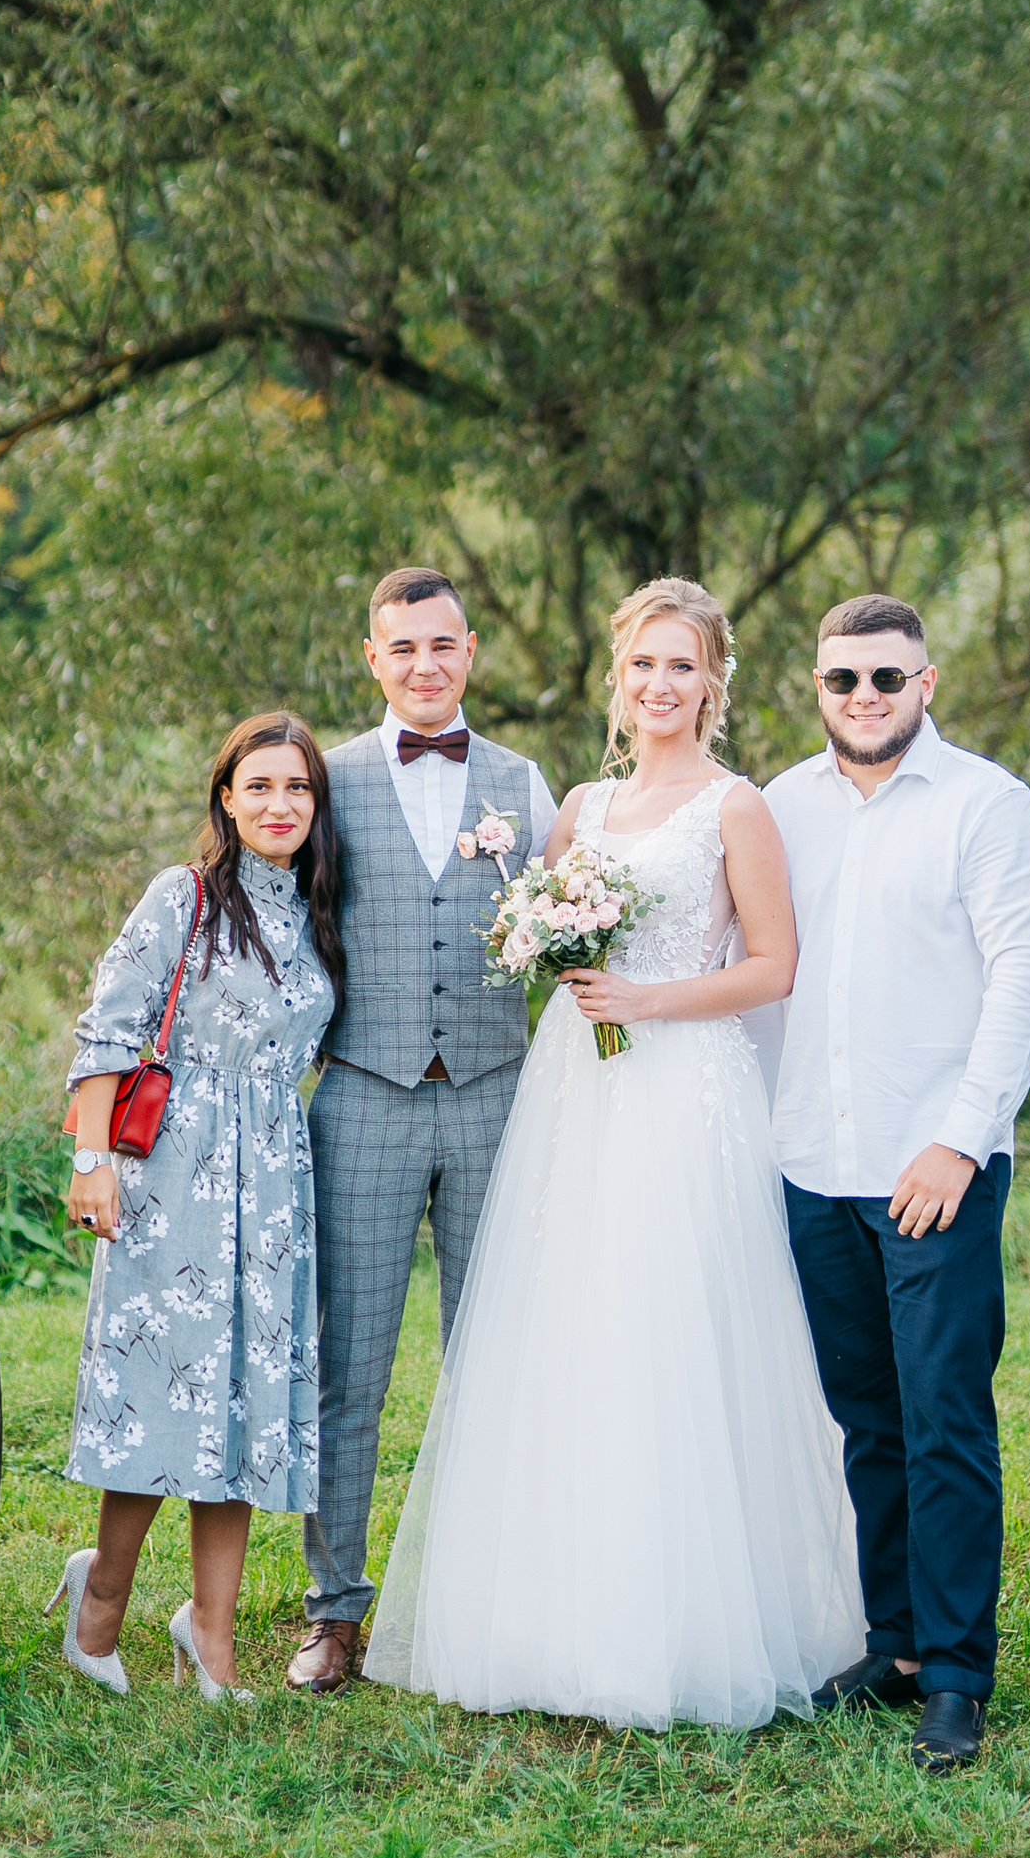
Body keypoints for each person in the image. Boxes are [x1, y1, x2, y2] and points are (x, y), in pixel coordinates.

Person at [363, 578, 864, 1730]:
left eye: (682, 665)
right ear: (618, 677)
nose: (661, 684)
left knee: (675, 1328)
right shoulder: (581, 807)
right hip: (578, 1090)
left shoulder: (737, 807)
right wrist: (545, 948)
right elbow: (535, 927)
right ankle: (560, 1619)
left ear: (713, 682)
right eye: (644, 663)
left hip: (688, 1093)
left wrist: (648, 998)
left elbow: (774, 966)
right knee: (574, 1324)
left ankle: (693, 1626)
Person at [762, 595, 1030, 1772]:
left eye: (887, 677)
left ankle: (955, 1675)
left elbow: (1024, 976)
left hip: (931, 1164)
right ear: (818, 685)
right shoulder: (782, 807)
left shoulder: (989, 807)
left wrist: (961, 1139)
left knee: (945, 1420)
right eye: (843, 679)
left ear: (925, 683)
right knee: (866, 1418)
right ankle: (892, 1647)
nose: (865, 698)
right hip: (813, 1161)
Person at [288, 566, 560, 1693]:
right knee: (348, 1367)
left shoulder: (524, 783)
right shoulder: (324, 780)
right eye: (402, 647)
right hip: (362, 1094)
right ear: (373, 658)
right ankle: (334, 1610)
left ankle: (481, 1601)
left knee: (492, 1358)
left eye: (443, 644)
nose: (425, 665)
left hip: (499, 1095)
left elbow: (574, 924)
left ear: (472, 650)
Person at [46, 713, 344, 1699]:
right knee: (156, 1395)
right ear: (226, 797)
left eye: (297, 787)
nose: (279, 804)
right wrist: (93, 1161)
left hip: (274, 1184)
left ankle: (210, 1635)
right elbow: (108, 1029)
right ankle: (101, 1602)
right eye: (259, 786)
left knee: (247, 1406)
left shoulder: (320, 911)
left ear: (317, 803)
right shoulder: (185, 896)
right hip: (174, 1171)